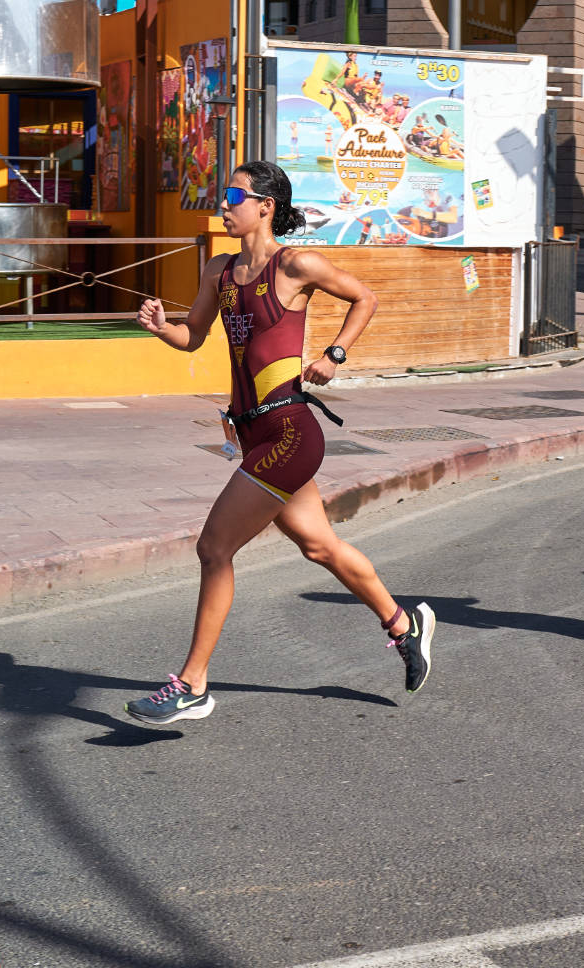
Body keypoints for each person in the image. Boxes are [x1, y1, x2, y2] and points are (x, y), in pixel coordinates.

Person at [127, 161, 434, 723]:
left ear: (265, 204)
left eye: (233, 194)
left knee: (214, 548)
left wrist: (335, 355)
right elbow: (192, 336)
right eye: (223, 194)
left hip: (291, 429)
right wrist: (160, 327)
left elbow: (364, 298)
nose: (223, 204)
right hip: (253, 433)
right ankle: (402, 623)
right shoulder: (218, 271)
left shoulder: (295, 264)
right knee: (318, 546)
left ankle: (192, 684)